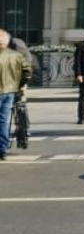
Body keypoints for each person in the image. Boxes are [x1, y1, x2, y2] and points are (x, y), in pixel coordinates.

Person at [0, 29, 33, 161]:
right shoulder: (15, 55)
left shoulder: (16, 50)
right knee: (4, 121)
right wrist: (19, 85)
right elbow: (27, 71)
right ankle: (2, 149)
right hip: (10, 91)